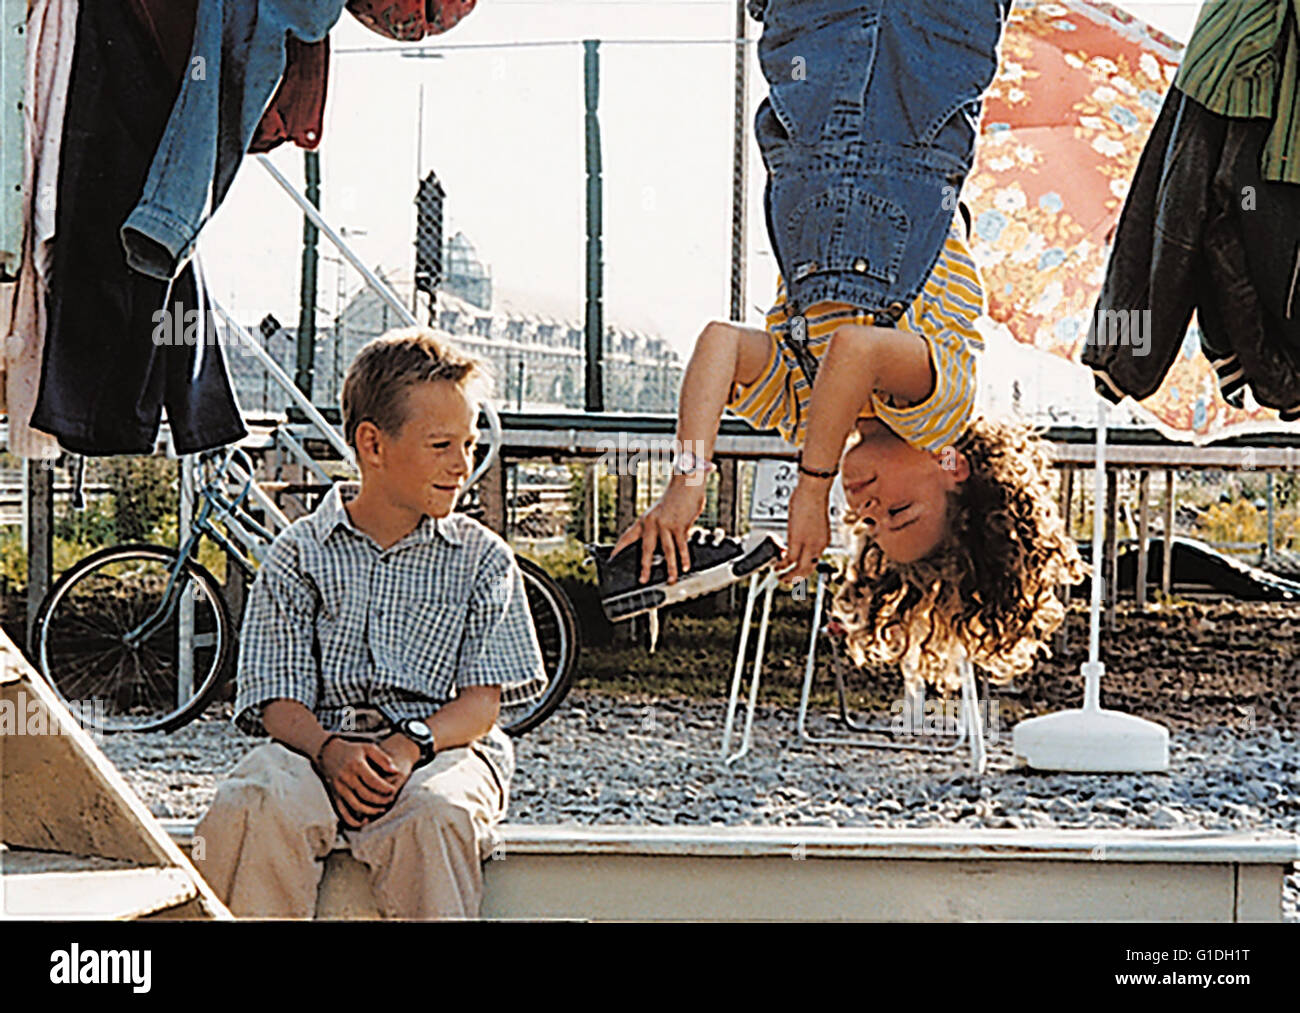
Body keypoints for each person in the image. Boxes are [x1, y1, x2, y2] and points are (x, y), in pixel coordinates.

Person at [608, 0, 1084, 687]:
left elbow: (719, 346)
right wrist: (813, 486)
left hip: (816, 84)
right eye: (899, 509)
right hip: (920, 71)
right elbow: (856, 352)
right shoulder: (938, 409)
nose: (865, 504)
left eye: (869, 521)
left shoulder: (805, 414)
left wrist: (687, 486)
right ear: (953, 469)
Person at [194, 328, 547, 919]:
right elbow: (276, 700)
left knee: (438, 814)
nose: (463, 465)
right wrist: (330, 751)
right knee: (255, 802)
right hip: (312, 748)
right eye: (442, 445)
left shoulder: (483, 559)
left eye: (469, 443)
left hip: (438, 749)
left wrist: (408, 746)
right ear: (372, 445)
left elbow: (482, 707)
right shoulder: (298, 554)